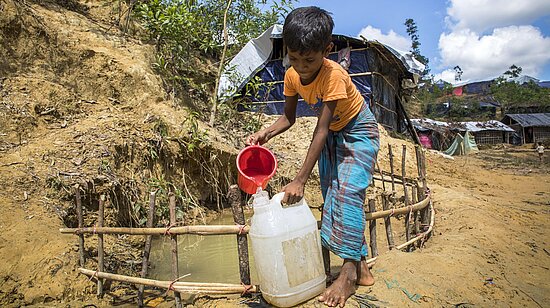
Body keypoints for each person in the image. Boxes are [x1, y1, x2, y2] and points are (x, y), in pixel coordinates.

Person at [245, 6, 379, 307]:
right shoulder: (291, 76)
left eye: (310, 59)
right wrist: (265, 133)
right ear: (287, 52)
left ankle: (347, 275)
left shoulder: (334, 75)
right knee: (334, 196)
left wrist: (299, 179)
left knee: (348, 193)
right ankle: (361, 266)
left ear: (327, 50)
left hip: (358, 131)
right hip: (333, 134)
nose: (302, 67)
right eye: (294, 58)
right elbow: (288, 118)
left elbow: (319, 128)